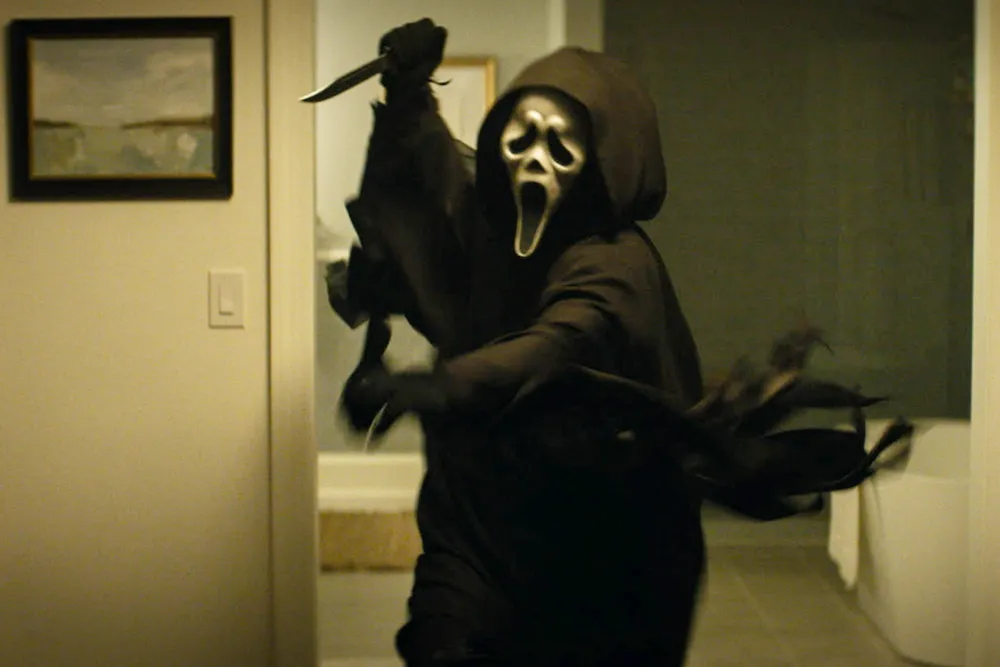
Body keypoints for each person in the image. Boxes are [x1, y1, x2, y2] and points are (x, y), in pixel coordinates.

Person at [330, 19, 707, 667]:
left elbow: (556, 344)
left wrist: (433, 386)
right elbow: (433, 188)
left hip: (604, 546)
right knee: (440, 637)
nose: (534, 160)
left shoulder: (616, 262)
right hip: (479, 514)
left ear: (602, 160)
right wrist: (408, 90)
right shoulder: (492, 224)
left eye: (560, 146)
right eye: (521, 137)